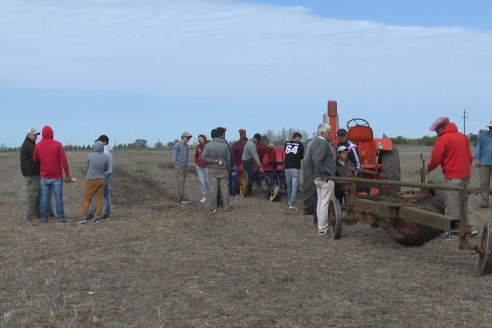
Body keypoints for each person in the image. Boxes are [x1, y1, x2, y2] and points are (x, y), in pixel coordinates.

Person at [426, 117, 476, 238]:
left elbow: (436, 157)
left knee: (452, 203)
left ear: (442, 128)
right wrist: (463, 169)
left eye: (436, 131)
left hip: (452, 176)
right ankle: (470, 228)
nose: (436, 133)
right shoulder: (463, 137)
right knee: (466, 201)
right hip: (466, 176)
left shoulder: (444, 139)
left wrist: (428, 169)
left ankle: (453, 231)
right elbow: (470, 157)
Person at [32, 125, 71, 223]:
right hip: (57, 177)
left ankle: (44, 218)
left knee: (44, 197)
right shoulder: (57, 144)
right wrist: (67, 173)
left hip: (44, 176)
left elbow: (35, 159)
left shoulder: (38, 145)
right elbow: (64, 161)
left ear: (43, 134)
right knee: (58, 197)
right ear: (52, 133)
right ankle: (61, 217)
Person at [311, 123, 336, 235]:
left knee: (320, 202)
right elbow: (317, 159)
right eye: (329, 132)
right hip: (325, 178)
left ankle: (321, 228)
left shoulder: (314, 142)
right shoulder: (323, 143)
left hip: (317, 178)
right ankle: (323, 229)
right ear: (322, 133)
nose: (331, 134)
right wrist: (322, 172)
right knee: (325, 203)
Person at [78, 141, 109, 223]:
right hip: (101, 180)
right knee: (99, 199)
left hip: (91, 180)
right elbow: (106, 169)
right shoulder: (105, 156)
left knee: (87, 199)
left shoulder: (90, 155)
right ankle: (98, 217)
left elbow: (87, 167)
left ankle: (84, 217)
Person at [202, 128, 232, 213]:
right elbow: (228, 159)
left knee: (213, 189)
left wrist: (212, 161)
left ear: (211, 136)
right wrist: (228, 168)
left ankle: (213, 207)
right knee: (225, 188)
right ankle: (226, 207)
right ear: (219, 135)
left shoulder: (208, 145)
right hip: (223, 169)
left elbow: (203, 157)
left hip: (212, 169)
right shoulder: (225, 145)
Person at [88, 135, 113, 220]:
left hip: (104, 174)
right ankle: (107, 213)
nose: (98, 144)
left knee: (97, 193)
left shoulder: (105, 152)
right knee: (106, 194)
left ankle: (91, 213)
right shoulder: (108, 150)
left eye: (100, 142)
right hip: (109, 173)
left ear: (105, 142)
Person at [20, 128, 41, 221]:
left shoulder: (30, 143)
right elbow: (37, 157)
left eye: (37, 135)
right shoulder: (29, 145)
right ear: (29, 135)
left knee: (36, 193)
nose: (36, 136)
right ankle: (30, 216)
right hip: (31, 173)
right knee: (32, 194)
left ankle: (37, 213)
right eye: (34, 135)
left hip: (31, 172)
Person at [474, 120, 492, 208]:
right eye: (491, 128)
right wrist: (477, 159)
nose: (491, 129)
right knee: (484, 183)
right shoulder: (482, 137)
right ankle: (484, 202)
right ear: (489, 128)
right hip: (484, 163)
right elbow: (478, 148)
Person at [284, 132, 304, 210]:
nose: (300, 140)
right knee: (294, 186)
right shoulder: (300, 145)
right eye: (300, 139)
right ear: (297, 137)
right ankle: (292, 204)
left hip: (286, 167)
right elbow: (301, 156)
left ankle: (289, 200)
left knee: (288, 185)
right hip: (295, 167)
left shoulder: (286, 143)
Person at [172, 131, 192, 204]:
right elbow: (174, 156)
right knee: (180, 182)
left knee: (182, 182)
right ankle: (181, 199)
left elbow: (186, 156)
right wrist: (175, 165)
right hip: (178, 166)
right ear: (183, 137)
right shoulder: (177, 145)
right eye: (188, 137)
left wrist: (186, 165)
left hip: (184, 166)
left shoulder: (186, 146)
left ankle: (182, 197)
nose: (189, 139)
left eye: (189, 137)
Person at [194, 134, 210, 203]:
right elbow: (196, 155)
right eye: (199, 139)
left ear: (204, 139)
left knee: (209, 182)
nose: (200, 140)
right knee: (202, 182)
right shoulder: (198, 146)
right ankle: (204, 197)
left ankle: (210, 196)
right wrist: (196, 161)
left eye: (201, 139)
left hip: (207, 166)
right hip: (199, 167)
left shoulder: (208, 145)